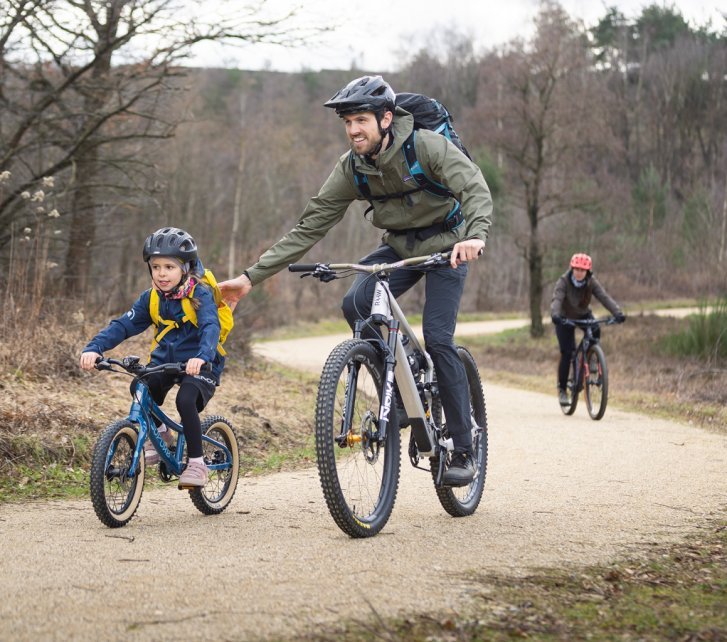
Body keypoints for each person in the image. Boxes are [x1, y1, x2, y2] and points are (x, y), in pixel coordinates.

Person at [219, 75, 493, 486]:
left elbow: (473, 186)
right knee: (355, 303)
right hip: (400, 247)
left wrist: (475, 235)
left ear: (386, 118)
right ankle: (400, 394)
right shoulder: (352, 167)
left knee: (438, 337)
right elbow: (309, 227)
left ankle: (463, 448)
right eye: (347, 123)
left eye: (360, 120)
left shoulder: (426, 147)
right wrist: (249, 278)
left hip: (447, 246)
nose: (353, 130)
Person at [79, 227, 224, 489]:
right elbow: (123, 325)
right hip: (166, 361)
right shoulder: (152, 298)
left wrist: (202, 357)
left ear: (185, 268)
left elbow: (210, 328)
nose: (161, 273)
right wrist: (94, 348)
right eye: (156, 266)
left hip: (201, 362)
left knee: (185, 399)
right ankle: (159, 434)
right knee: (139, 386)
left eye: (169, 266)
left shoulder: (199, 294)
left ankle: (197, 462)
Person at [550, 253, 626, 406]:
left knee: (595, 330)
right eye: (576, 269)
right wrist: (555, 315)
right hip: (564, 318)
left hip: (583, 315)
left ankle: (592, 357)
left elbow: (604, 297)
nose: (579, 273)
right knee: (567, 352)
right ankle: (563, 390)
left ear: (588, 272)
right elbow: (557, 299)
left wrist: (617, 313)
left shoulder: (591, 282)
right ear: (572, 269)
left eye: (582, 270)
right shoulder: (563, 281)